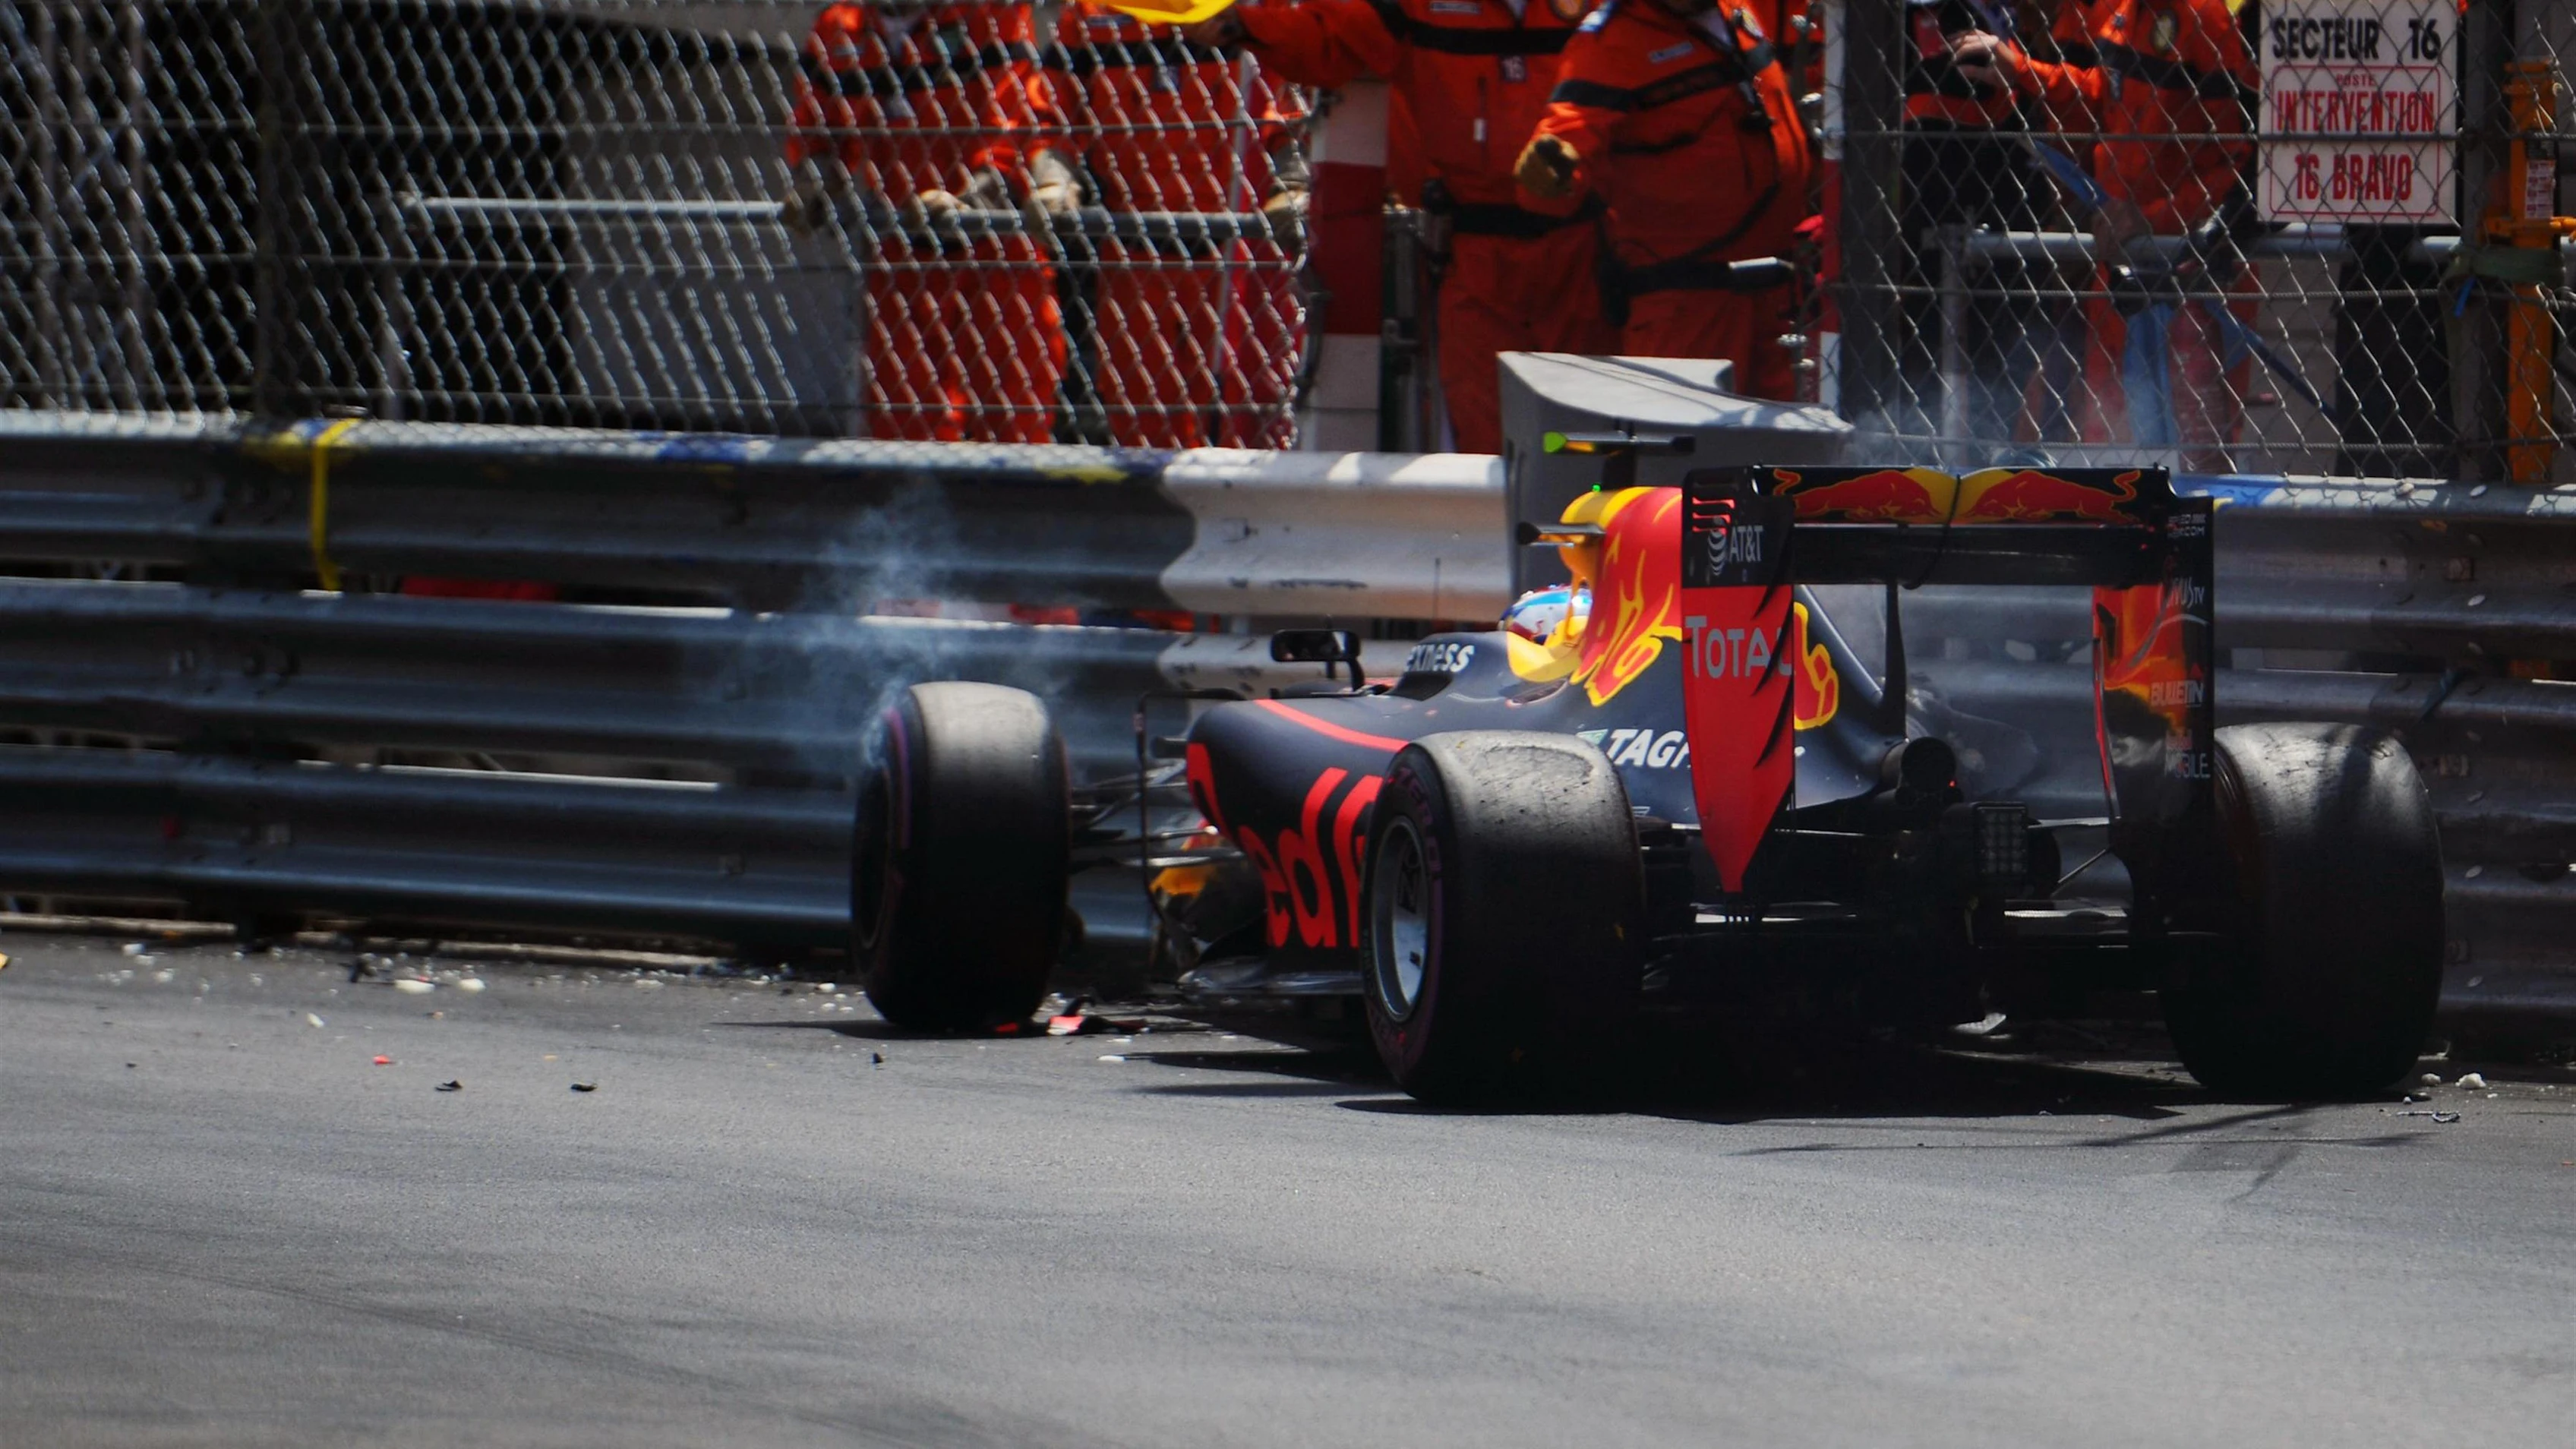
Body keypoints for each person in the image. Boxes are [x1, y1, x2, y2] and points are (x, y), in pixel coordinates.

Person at [1179, 0, 1618, 455]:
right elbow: (1328, 40)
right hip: (1474, 251)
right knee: (1488, 440)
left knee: (1595, 435)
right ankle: (1494, 524)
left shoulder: (1609, 12)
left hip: (1589, 246)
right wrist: (1239, 22)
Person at [1953, 0, 2258, 467]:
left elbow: (2248, 166)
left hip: (2192, 286)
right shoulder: (2126, 11)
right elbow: (2106, 94)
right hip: (2122, 272)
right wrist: (2023, 71)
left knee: (2192, 473)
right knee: (2113, 458)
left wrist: (2154, 219)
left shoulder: (2208, 17)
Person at [784, 0, 1070, 443]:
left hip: (997, 248)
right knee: (903, 419)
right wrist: (811, 183)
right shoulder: (840, 29)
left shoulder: (987, 14)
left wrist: (972, 202)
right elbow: (819, 132)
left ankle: (1008, 508)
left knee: (1014, 413)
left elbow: (1014, 122)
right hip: (902, 248)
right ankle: (917, 509)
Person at [1510, 0, 1813, 399]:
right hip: (1687, 308)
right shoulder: (1610, 43)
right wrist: (1549, 174)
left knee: (1792, 453)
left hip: (1782, 296)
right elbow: (1564, 144)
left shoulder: (1737, 11)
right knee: (1692, 454)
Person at [1044, 2, 1308, 447]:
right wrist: (1053, 167)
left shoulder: (1256, 9)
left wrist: (1294, 174)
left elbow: (1289, 102)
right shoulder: (1091, 14)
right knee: (1140, 413)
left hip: (1239, 247)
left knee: (1249, 410)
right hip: (1133, 246)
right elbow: (1053, 107)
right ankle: (1156, 509)